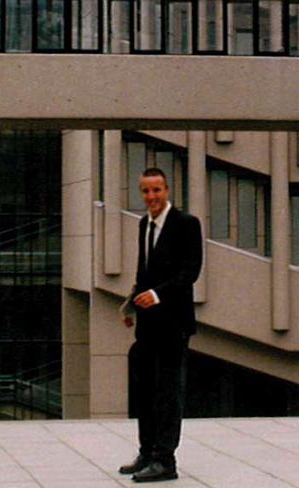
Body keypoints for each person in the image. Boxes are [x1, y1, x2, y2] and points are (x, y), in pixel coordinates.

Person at [118, 166, 202, 483]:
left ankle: (166, 461)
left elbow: (190, 272)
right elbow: (144, 273)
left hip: (174, 324)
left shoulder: (186, 224)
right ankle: (147, 452)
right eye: (145, 191)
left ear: (167, 190)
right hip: (148, 324)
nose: (151, 197)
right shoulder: (144, 225)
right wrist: (131, 305)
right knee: (144, 391)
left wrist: (157, 295)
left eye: (156, 190)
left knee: (168, 393)